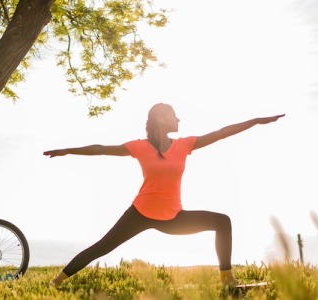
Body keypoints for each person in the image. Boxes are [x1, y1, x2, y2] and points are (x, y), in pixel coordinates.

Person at [43, 103, 284, 288]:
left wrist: (255, 121)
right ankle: (56, 281)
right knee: (102, 247)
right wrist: (68, 151)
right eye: (173, 115)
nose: (178, 119)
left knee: (223, 221)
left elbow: (221, 133)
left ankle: (226, 277)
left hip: (173, 218)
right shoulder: (139, 147)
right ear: (160, 118)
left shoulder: (184, 145)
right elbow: (100, 149)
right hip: (139, 214)